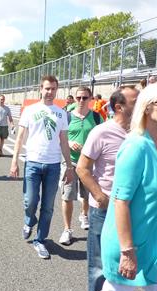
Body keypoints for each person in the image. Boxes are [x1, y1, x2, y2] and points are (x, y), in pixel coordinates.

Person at [79, 82, 157, 291]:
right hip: (132, 239)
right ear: (146, 108)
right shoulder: (136, 146)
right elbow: (120, 201)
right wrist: (127, 251)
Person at [76, 86, 139, 291]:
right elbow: (82, 168)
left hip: (131, 209)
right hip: (104, 210)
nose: (141, 103)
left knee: (124, 256)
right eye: (136, 100)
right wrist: (99, 195)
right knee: (99, 264)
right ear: (119, 107)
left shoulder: (140, 134)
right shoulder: (101, 132)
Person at [10, 75, 73, 259]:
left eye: (53, 89)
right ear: (41, 89)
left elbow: (64, 141)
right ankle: (29, 221)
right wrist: (14, 161)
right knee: (30, 201)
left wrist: (69, 167)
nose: (50, 92)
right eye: (47, 88)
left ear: (56, 90)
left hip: (53, 165)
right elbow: (20, 137)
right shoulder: (30, 110)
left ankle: (40, 240)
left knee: (48, 206)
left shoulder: (61, 113)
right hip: (33, 163)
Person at [59, 87, 103, 246]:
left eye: (85, 98)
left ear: (91, 98)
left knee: (86, 195)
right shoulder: (67, 116)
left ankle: (84, 215)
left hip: (89, 164)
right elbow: (59, 137)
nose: (81, 101)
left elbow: (102, 138)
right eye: (78, 98)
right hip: (69, 162)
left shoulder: (97, 118)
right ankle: (67, 229)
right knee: (67, 195)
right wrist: (69, 143)